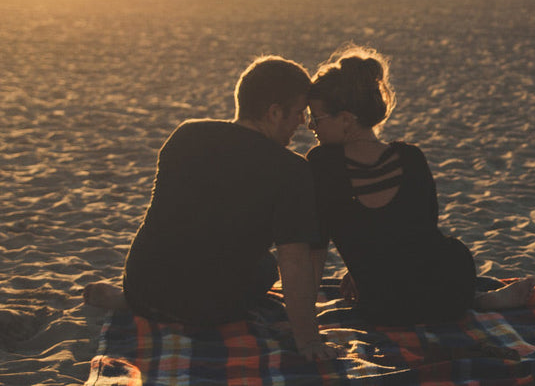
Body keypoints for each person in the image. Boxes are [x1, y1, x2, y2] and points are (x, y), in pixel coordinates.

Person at [84, 55, 344, 360]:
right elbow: (294, 261)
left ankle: (128, 303)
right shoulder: (291, 170)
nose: (302, 123)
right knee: (266, 267)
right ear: (274, 112)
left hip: (141, 287)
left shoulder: (186, 134)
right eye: (299, 113)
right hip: (206, 309)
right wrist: (308, 341)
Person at [305, 45, 535, 326]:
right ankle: (478, 301)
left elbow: (316, 248)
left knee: (413, 278)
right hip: (446, 292)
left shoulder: (322, 164)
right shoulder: (410, 158)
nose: (311, 127)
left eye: (316, 118)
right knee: (450, 253)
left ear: (345, 119)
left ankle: (478, 301)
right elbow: (417, 234)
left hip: (382, 303)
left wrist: (306, 315)